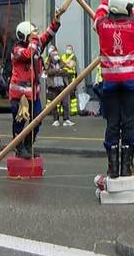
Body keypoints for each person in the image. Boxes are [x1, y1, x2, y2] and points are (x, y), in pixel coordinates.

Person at [95, 0, 134, 178]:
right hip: (130, 84)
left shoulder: (102, 25)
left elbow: (98, 13)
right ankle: (127, 166)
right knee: (129, 124)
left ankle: (112, 168)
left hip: (109, 85)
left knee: (112, 125)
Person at [10, 15, 61, 159]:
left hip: (34, 93)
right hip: (20, 96)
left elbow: (47, 36)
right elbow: (29, 54)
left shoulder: (35, 44)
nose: (36, 36)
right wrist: (34, 40)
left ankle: (28, 145)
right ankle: (19, 148)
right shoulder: (17, 50)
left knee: (37, 119)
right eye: (33, 34)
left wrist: (55, 23)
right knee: (19, 121)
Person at [46, 49, 74, 127]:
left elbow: (66, 71)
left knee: (65, 103)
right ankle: (56, 120)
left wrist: (58, 71)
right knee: (54, 104)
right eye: (54, 55)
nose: (56, 56)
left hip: (62, 86)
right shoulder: (48, 63)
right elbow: (49, 72)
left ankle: (66, 119)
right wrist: (58, 70)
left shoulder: (61, 62)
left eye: (57, 55)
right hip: (53, 86)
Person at [61, 45, 81, 116]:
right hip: (63, 76)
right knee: (63, 94)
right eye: (67, 49)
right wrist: (67, 63)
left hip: (71, 76)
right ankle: (62, 111)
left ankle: (74, 110)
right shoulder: (63, 56)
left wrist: (64, 63)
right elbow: (61, 65)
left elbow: (71, 66)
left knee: (72, 93)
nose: (68, 50)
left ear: (72, 50)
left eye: (70, 49)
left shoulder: (73, 57)